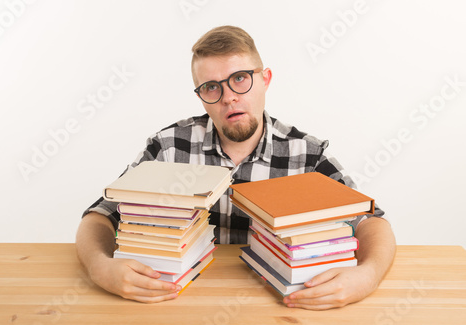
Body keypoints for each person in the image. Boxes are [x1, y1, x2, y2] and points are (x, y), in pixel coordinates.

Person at [75, 25, 396, 310]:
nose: (228, 97)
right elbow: (101, 216)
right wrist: (99, 267)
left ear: (265, 80)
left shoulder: (306, 155)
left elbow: (371, 223)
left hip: (281, 303)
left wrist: (366, 276)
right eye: (212, 87)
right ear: (201, 96)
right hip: (180, 300)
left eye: (240, 78)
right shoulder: (169, 147)